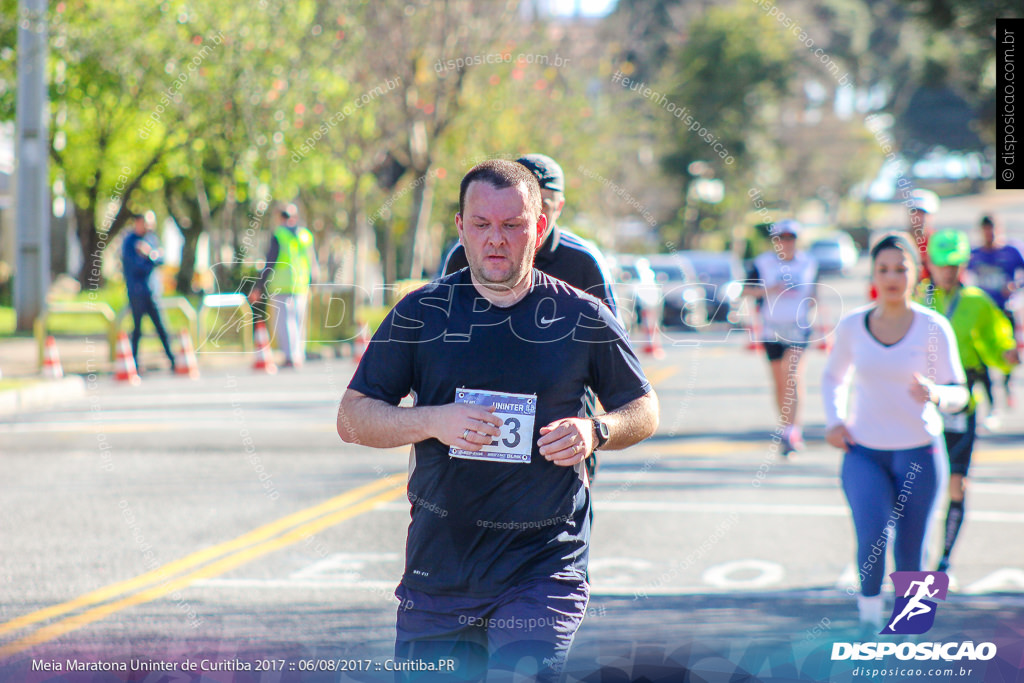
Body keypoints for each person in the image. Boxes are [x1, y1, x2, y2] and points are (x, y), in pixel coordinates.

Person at [338, 159, 659, 681]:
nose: (496, 240)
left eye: (512, 225)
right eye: (482, 224)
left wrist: (596, 430)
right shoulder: (422, 312)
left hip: (542, 567)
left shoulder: (581, 316)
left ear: (540, 227)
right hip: (439, 571)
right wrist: (434, 420)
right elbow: (353, 417)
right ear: (460, 227)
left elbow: (642, 408)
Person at [442, 153, 620, 480]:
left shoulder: (582, 260)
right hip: (487, 407)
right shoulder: (465, 254)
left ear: (558, 207)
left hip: (561, 409)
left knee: (567, 502)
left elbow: (609, 343)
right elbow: (445, 333)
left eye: (547, 205)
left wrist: (595, 429)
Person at [823, 233, 967, 634]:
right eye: (883, 269)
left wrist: (937, 393)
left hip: (920, 452)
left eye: (900, 269)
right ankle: (868, 625)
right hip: (864, 452)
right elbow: (833, 377)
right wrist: (834, 420)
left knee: (911, 553)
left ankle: (910, 639)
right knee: (871, 540)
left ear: (916, 274)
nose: (891, 277)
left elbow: (961, 394)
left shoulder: (933, 327)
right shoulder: (853, 325)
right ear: (872, 274)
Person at [920, 230, 1019, 578]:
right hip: (923, 402)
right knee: (916, 483)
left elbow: (998, 344)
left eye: (955, 265)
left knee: (957, 483)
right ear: (930, 264)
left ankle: (944, 557)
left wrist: (1009, 356)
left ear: (964, 265)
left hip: (964, 402)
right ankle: (914, 553)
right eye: (943, 264)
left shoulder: (978, 301)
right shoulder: (917, 298)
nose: (949, 271)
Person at [742, 219, 818, 455]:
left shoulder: (808, 263)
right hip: (771, 327)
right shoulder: (763, 263)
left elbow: (815, 293)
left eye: (791, 238)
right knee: (779, 380)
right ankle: (785, 426)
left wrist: (823, 324)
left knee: (792, 373)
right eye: (781, 238)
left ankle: (794, 429)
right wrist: (769, 289)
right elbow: (746, 290)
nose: (786, 243)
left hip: (798, 327)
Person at [249, 203, 317, 368]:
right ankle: (298, 354)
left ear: (280, 217)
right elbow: (312, 261)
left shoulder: (279, 235)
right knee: (299, 322)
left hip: (281, 285)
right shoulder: (305, 235)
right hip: (301, 285)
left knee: (285, 323)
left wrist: (258, 286)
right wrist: (313, 281)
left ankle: (290, 356)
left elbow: (270, 262)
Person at [968, 214, 1024, 414]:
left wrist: (1016, 285)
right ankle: (991, 404)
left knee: (1010, 353)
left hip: (1006, 310)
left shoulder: (1012, 251)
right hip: (983, 313)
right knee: (982, 356)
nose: (989, 235)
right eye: (985, 231)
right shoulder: (974, 254)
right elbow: (961, 274)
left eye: (993, 230)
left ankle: (1008, 386)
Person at [122, 211, 176, 372]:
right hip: (137, 292)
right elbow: (137, 267)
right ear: (138, 223)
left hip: (152, 291)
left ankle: (172, 359)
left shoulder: (150, 239)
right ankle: (133, 362)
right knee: (137, 329)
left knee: (161, 326)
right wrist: (151, 259)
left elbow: (161, 259)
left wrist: (149, 255)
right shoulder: (130, 242)